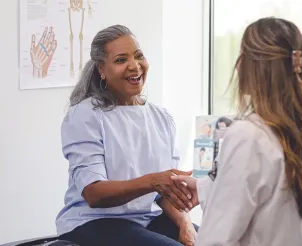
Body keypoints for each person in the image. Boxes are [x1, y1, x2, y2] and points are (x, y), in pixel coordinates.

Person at [172, 17, 302, 246]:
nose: (238, 65)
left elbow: (217, 238)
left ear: (256, 67)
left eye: (243, 56)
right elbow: (272, 194)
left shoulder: (248, 135)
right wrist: (203, 188)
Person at [56, 25, 198, 246]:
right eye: (121, 60)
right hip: (94, 222)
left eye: (139, 55)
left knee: (220, 240)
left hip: (146, 218)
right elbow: (94, 193)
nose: (134, 66)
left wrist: (185, 223)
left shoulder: (161, 117)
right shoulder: (85, 116)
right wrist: (153, 182)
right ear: (102, 69)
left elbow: (165, 193)